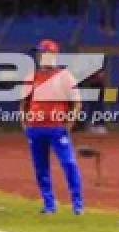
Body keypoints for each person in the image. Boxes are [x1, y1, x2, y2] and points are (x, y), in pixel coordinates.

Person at [21, 39, 84, 215]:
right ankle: (49, 204)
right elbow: (24, 103)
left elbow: (76, 103)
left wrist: (69, 123)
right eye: (38, 53)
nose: (39, 56)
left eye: (42, 53)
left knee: (68, 163)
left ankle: (77, 203)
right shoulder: (31, 77)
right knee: (41, 167)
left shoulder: (65, 76)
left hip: (57, 127)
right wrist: (25, 124)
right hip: (35, 128)